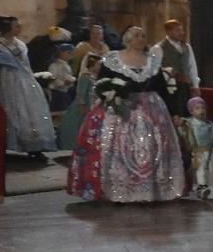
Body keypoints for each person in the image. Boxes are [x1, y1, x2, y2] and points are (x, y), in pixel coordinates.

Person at [65, 26, 188, 203]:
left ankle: (150, 190)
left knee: (151, 146)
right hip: (119, 109)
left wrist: (175, 111)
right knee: (116, 147)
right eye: (137, 35)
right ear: (128, 39)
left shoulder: (152, 61)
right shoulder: (113, 59)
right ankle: (117, 188)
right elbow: (102, 83)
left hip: (151, 108)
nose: (141, 39)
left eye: (144, 36)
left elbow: (161, 88)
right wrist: (111, 94)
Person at [0, 16, 57, 160]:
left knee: (29, 112)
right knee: (9, 111)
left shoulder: (21, 45)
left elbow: (26, 65)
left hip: (23, 80)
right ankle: (4, 144)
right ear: (8, 28)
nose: (20, 29)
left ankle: (34, 145)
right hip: (3, 81)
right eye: (17, 26)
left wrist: (33, 79)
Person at [55, 48, 101, 152]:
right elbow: (81, 93)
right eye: (98, 64)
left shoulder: (95, 77)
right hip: (84, 104)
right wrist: (82, 105)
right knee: (79, 125)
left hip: (94, 103)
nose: (100, 67)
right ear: (91, 64)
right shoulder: (85, 77)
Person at [182, 95, 213, 200]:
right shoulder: (189, 123)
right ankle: (201, 188)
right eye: (197, 108)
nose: (201, 110)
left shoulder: (210, 124)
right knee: (200, 169)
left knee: (208, 169)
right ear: (191, 111)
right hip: (197, 152)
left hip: (208, 151)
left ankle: (203, 186)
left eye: (203, 108)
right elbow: (185, 134)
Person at [153, 18, 199, 90]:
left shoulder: (187, 47)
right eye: (178, 30)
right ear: (168, 31)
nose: (181, 33)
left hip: (185, 87)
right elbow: (154, 70)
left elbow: (192, 67)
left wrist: (196, 86)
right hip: (168, 88)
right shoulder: (158, 48)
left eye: (182, 30)